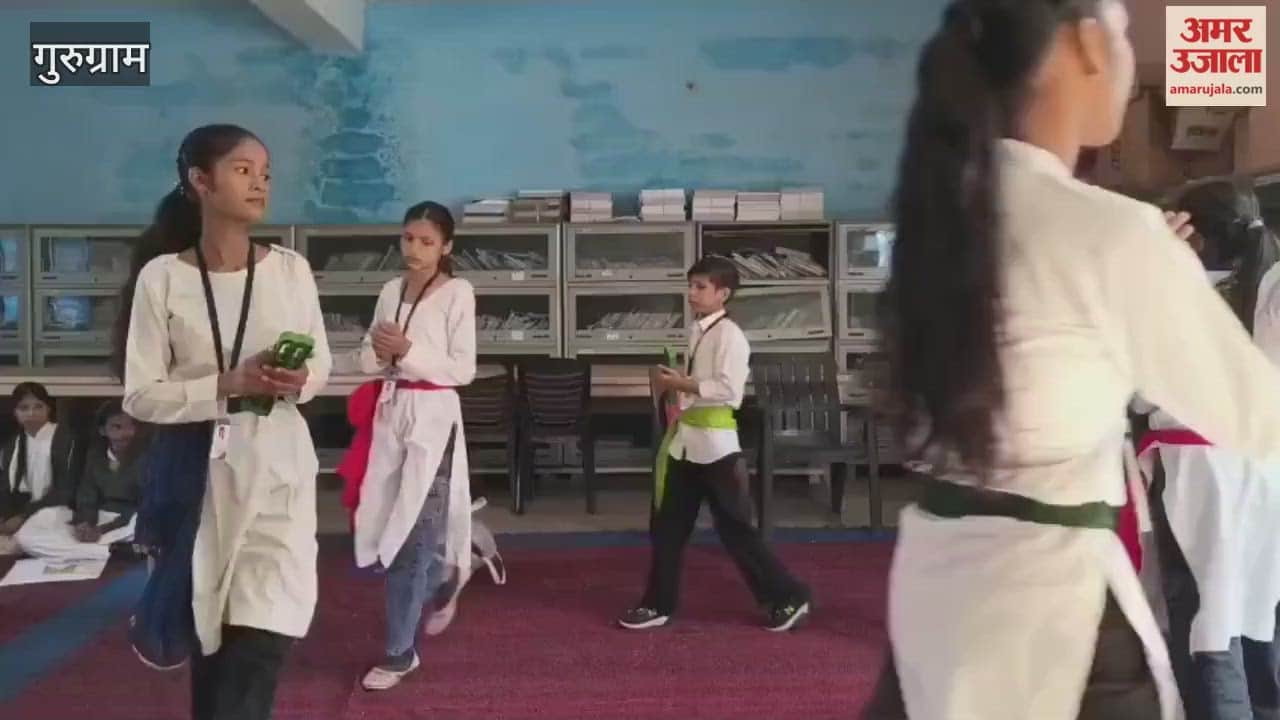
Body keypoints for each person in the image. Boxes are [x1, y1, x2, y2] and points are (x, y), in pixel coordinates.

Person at [861, 2, 1280, 719]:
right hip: (1052, 610)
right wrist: (1160, 281)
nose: (1124, 56)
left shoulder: (944, 216)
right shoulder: (1110, 233)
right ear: (1083, 45)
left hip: (938, 581)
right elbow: (1259, 416)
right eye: (1121, 33)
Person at [114, 124, 331, 720]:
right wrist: (225, 386)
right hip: (200, 481)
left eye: (265, 170)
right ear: (200, 182)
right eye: (243, 169)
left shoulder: (289, 271)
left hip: (278, 476)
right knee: (213, 641)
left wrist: (298, 381)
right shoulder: (164, 278)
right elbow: (142, 395)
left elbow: (321, 365)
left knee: (263, 640)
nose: (260, 180)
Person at [1135, 180, 1280, 720]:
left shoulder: (1168, 290)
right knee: (1255, 608)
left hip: (1196, 472)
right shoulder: (1269, 285)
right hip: (1264, 470)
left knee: (1204, 614)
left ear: (1187, 233)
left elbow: (1138, 389)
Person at [617, 255, 811, 632]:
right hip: (685, 445)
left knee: (737, 532)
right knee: (667, 528)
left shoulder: (731, 337)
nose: (691, 293)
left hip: (716, 449)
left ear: (723, 293)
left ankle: (789, 596)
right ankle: (657, 603)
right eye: (690, 285)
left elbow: (728, 391)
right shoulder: (698, 330)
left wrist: (682, 385)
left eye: (700, 287)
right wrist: (678, 384)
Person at [335, 201, 477, 691]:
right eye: (408, 239)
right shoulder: (389, 290)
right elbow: (367, 360)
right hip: (390, 416)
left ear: (446, 247)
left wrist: (408, 351)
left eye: (427, 241)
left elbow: (463, 370)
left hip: (433, 421)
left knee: (412, 539)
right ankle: (448, 569)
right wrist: (377, 353)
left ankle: (399, 652)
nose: (414, 249)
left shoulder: (458, 292)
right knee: (384, 521)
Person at [15, 399, 147, 560]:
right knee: (35, 527)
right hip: (99, 518)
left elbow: (147, 504)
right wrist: (85, 523)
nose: (126, 433)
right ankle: (109, 552)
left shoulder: (148, 457)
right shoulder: (95, 456)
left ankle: (96, 550)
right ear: (102, 431)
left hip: (128, 522)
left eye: (131, 426)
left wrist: (104, 529)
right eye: (117, 427)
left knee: (146, 523)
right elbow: (86, 497)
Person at [0, 382, 84, 555]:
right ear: (15, 413)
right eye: (23, 408)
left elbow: (66, 490)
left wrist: (23, 516)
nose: (31, 413)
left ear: (48, 409)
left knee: (27, 537)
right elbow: (6, 489)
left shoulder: (66, 440)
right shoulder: (11, 447)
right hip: (22, 511)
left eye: (38, 406)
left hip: (57, 508)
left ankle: (92, 552)